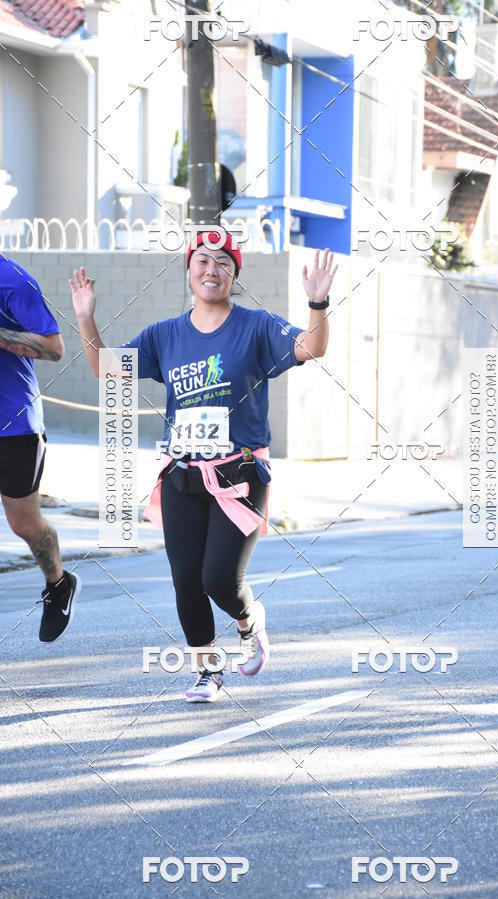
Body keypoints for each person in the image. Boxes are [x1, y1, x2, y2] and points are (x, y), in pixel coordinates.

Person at [70, 230, 338, 702]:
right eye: (202, 261)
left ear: (234, 273)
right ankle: (207, 671)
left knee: (218, 579)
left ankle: (249, 619)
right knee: (186, 580)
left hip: (240, 474)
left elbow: (311, 348)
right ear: (189, 270)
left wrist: (318, 304)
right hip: (182, 475)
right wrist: (86, 319)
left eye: (223, 263)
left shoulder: (256, 327)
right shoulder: (165, 335)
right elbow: (107, 369)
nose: (212, 270)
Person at [0, 254, 81, 642]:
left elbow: (54, 348)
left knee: (24, 524)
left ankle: (58, 583)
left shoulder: (13, 281)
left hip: (14, 425)